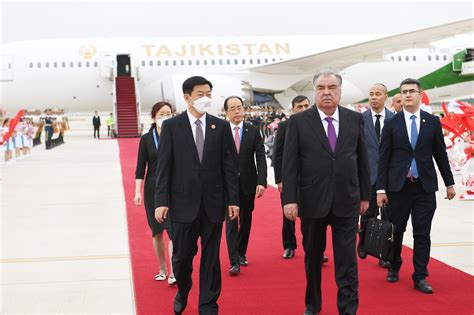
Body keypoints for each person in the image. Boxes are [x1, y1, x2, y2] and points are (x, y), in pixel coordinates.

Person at [282, 71, 370, 315]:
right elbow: (290, 164)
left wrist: (365, 195)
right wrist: (289, 199)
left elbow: (362, 159)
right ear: (315, 92)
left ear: (340, 91)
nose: (327, 92)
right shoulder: (299, 122)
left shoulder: (354, 119)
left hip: (347, 200)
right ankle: (313, 305)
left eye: (332, 87)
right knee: (312, 260)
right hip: (312, 203)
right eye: (321, 88)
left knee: (347, 262)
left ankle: (348, 309)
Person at [154, 76, 239, 315]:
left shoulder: (220, 126)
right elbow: (164, 168)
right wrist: (161, 201)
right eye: (200, 94)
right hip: (182, 205)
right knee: (181, 259)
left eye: (208, 94)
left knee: (211, 260)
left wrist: (233, 200)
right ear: (187, 97)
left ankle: (208, 305)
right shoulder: (171, 127)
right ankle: (183, 289)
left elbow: (229, 167)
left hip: (213, 204)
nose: (206, 99)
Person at [377, 78, 455, 293]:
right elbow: (383, 158)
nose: (408, 95)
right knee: (397, 230)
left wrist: (449, 183)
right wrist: (380, 189)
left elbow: (440, 154)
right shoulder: (392, 123)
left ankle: (420, 276)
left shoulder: (431, 122)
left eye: (412, 91)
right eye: (404, 91)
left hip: (424, 187)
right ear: (400, 96)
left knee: (422, 233)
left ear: (420, 94)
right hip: (398, 188)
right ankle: (394, 265)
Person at [223, 96, 267, 276]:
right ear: (226, 112)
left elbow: (261, 157)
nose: (237, 111)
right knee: (231, 221)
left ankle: (241, 252)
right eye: (232, 109)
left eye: (239, 107)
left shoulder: (253, 130)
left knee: (246, 219)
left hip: (249, 182)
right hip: (228, 184)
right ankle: (234, 260)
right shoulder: (221, 131)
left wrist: (262, 181)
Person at [134, 101, 176, 285]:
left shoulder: (176, 136)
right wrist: (138, 192)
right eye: (161, 114)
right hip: (152, 190)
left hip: (174, 189)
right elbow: (140, 169)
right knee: (157, 231)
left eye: (168, 113)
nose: (165, 117)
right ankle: (162, 268)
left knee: (173, 231)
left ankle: (174, 272)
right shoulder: (146, 139)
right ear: (154, 117)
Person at [358, 84, 395, 269]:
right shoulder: (361, 119)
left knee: (388, 218)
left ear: (385, 97)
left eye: (377, 94)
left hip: (389, 176)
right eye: (371, 94)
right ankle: (363, 240)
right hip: (368, 175)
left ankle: (383, 253)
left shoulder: (394, 119)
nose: (373, 97)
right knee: (368, 212)